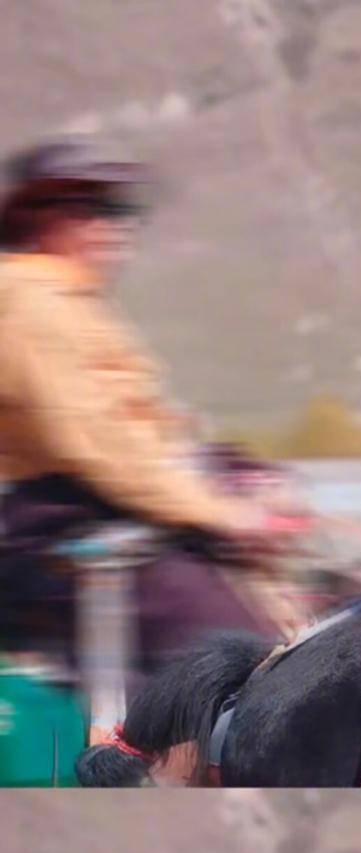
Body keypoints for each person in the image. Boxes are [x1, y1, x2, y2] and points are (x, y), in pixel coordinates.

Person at [0, 137, 290, 678]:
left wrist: (229, 472)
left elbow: (137, 434)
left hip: (105, 508)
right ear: (41, 218)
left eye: (121, 209)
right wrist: (225, 515)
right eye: (96, 209)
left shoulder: (69, 302)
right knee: (258, 659)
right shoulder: (34, 304)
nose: (117, 225)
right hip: (68, 524)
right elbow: (101, 447)